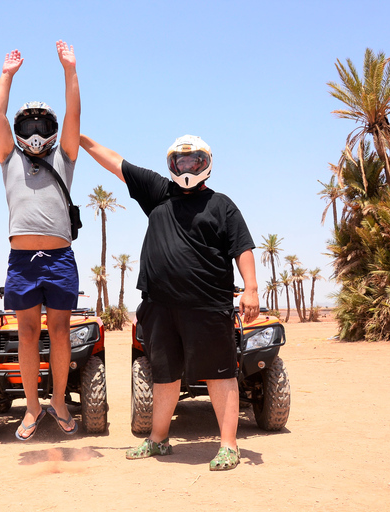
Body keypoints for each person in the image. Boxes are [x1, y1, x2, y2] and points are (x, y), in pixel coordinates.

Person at [79, 133, 259, 470]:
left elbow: (242, 247)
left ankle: (229, 446)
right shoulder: (158, 193)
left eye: (194, 161)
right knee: (164, 375)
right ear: (172, 165)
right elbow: (116, 162)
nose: (187, 167)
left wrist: (251, 288)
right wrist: (79, 138)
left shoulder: (221, 205)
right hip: (159, 307)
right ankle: (158, 440)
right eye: (181, 162)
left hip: (207, 305)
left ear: (206, 164)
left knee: (220, 374)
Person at [0, 41, 81, 440]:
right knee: (26, 333)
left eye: (43, 125)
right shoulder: (9, 158)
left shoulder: (65, 157)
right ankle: (31, 408)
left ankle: (58, 402)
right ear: (18, 132)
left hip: (59, 258)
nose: (35, 132)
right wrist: (7, 75)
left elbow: (76, 111)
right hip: (22, 262)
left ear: (53, 131)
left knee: (60, 332)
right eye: (27, 125)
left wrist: (70, 70)